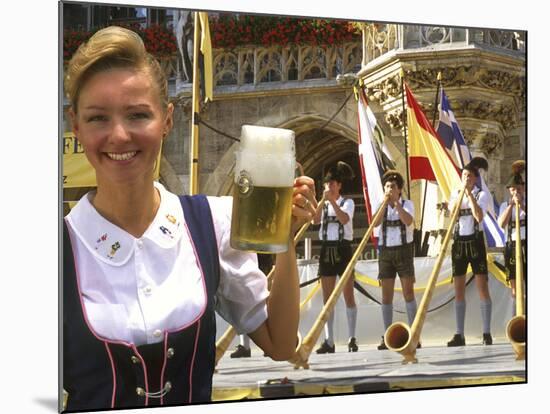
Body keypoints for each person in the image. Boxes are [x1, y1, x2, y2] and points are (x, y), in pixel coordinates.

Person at [62, 26, 317, 411]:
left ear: (167, 119)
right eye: (98, 118)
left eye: (137, 115)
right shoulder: (55, 250)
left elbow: (281, 344)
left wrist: (284, 238)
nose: (119, 135)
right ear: (75, 125)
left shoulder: (209, 224)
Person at [446, 157, 492, 347]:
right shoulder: (455, 194)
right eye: (463, 175)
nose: (465, 178)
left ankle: (486, 332)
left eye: (468, 176)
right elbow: (452, 215)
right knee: (458, 289)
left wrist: (470, 195)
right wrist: (461, 195)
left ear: (474, 178)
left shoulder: (482, 195)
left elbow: (478, 216)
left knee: (482, 286)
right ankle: (459, 333)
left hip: (475, 240)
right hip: (459, 241)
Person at [312, 161, 357, 353]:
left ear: (339, 186)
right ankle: (329, 340)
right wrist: (322, 201)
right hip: (326, 249)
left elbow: (344, 219)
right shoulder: (322, 204)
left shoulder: (347, 202)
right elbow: (314, 220)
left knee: (348, 295)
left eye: (332, 184)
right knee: (327, 298)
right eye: (326, 184)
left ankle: (351, 338)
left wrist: (331, 201)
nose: (329, 187)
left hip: (343, 248)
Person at [371, 170, 418, 350]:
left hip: (403, 250)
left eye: (393, 187)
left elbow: (408, 221)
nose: (389, 190)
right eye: (387, 187)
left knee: (408, 292)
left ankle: (414, 333)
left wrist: (397, 204)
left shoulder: (407, 204)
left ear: (399, 190)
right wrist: (384, 205)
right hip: (385, 253)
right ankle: (387, 335)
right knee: (386, 295)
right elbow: (374, 224)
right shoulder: (380, 205)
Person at [230, 254, 274, 358]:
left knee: (265, 302)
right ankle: (244, 346)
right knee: (242, 300)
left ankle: (270, 343)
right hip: (245, 257)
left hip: (262, 254)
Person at [497, 160, 526, 316]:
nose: (516, 191)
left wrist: (522, 205)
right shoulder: (504, 206)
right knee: (515, 286)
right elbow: (501, 223)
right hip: (511, 246)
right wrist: (511, 206)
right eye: (513, 189)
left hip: (526, 245)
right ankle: (518, 318)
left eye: (519, 188)